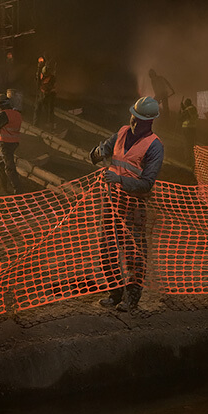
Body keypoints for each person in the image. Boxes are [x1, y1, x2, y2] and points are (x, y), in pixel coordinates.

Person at [89, 96, 165, 313]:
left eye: (139, 120)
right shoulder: (121, 133)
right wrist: (98, 152)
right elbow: (99, 152)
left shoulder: (155, 147)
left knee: (133, 251)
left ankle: (132, 297)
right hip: (112, 202)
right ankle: (115, 292)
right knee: (107, 248)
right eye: (133, 117)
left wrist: (120, 180)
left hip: (134, 207)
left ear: (149, 122)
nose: (134, 123)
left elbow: (147, 184)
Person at [0, 93, 22, 194]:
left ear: (1, 105)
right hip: (14, 142)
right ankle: (1, 185)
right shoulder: (17, 114)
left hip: (6, 143)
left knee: (9, 167)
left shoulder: (4, 114)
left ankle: (18, 189)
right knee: (0, 162)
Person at [34, 62, 56, 128]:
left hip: (48, 96)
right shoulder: (41, 76)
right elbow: (38, 82)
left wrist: (48, 91)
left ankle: (49, 124)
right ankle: (36, 124)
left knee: (48, 110)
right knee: (37, 109)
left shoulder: (52, 78)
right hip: (41, 95)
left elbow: (52, 87)